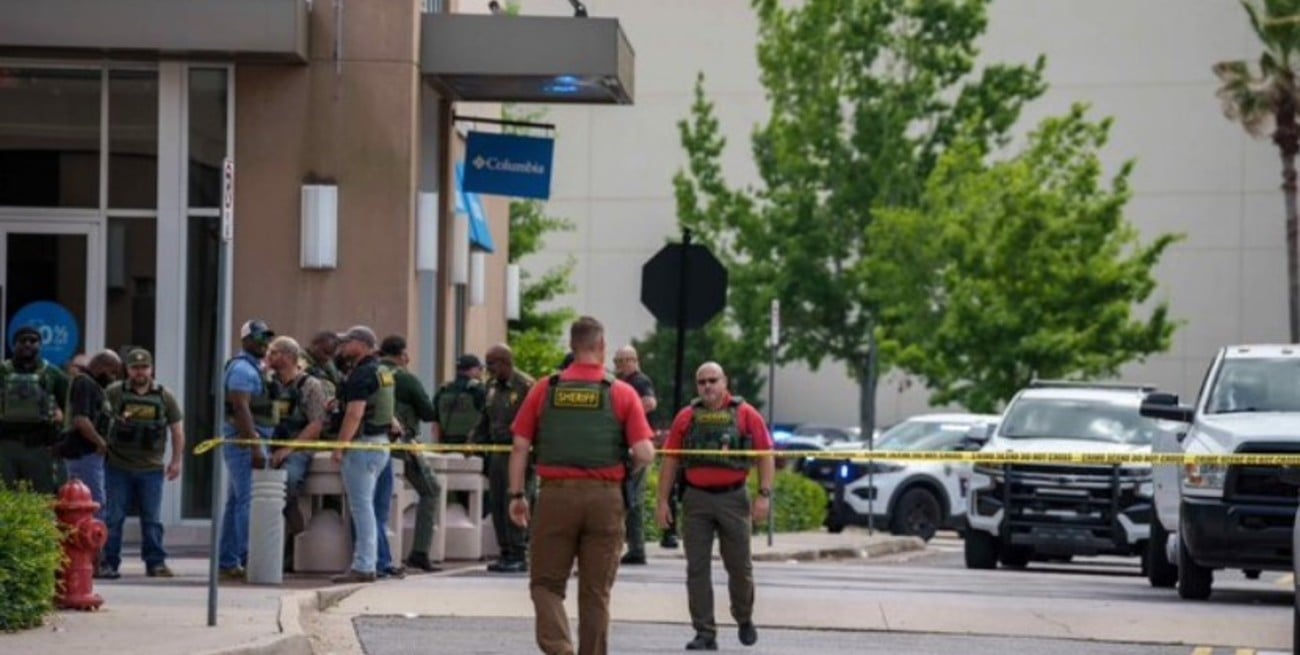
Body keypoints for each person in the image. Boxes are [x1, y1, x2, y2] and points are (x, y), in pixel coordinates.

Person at [509, 316, 656, 655]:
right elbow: (645, 452)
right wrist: (625, 470)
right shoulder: (621, 392)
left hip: (556, 496)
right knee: (595, 593)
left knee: (546, 584)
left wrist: (517, 495)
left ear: (572, 346)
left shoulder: (545, 389)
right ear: (602, 348)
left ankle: (560, 650)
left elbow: (519, 446)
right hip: (605, 499)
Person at [655, 362, 775, 651]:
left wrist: (764, 495)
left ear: (725, 382)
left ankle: (744, 617)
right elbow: (670, 460)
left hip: (734, 498)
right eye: (701, 382)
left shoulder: (746, 414)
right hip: (696, 499)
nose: (707, 386)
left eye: (713, 380)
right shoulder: (687, 417)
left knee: (739, 567)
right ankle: (704, 632)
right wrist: (661, 502)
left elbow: (766, 455)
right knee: (697, 568)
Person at [100, 348, 185, 579]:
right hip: (118, 466)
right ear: (127, 369)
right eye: (135, 367)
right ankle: (109, 562)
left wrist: (176, 461)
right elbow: (99, 420)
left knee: (152, 519)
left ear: (151, 369)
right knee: (114, 518)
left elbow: (177, 431)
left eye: (144, 367)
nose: (140, 372)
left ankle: (155, 563)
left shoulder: (164, 395)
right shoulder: (115, 392)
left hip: (151, 468)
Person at [331, 325, 395, 584]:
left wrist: (340, 445)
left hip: (362, 445)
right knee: (369, 508)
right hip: (381, 444)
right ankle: (371, 562)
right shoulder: (383, 371)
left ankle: (364, 565)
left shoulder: (361, 374)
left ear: (362, 344)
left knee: (361, 508)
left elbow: (355, 413)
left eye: (348, 342)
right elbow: (383, 407)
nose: (343, 347)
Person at [378, 335, 445, 573]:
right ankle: (419, 552)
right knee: (432, 489)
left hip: (371, 443)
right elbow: (428, 412)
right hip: (402, 444)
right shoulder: (405, 378)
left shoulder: (370, 371)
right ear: (402, 354)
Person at [219, 319, 278, 580]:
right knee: (248, 501)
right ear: (245, 340)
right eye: (258, 337)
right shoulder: (243, 369)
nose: (263, 342)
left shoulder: (255, 367)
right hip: (245, 442)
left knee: (235, 502)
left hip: (249, 440)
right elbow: (240, 408)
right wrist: (254, 444)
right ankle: (248, 558)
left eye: (266, 337)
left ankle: (228, 560)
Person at [265, 336, 329, 568]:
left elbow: (316, 424)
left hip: (298, 448)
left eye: (273, 352)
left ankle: (294, 543)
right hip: (270, 446)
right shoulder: (268, 383)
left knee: (287, 483)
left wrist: (289, 449)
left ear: (288, 357)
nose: (268, 356)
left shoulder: (310, 385)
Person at [477, 343, 534, 573]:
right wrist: (474, 441)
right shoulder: (491, 386)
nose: (488, 368)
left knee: (515, 499)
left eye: (492, 363)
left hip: (519, 454)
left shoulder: (525, 386)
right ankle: (506, 552)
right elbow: (485, 418)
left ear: (505, 362)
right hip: (496, 452)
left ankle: (519, 552)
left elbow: (536, 420)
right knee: (498, 503)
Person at [0, 325, 71, 494]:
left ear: (40, 345)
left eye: (33, 341)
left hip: (40, 446)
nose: (27, 344)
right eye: (22, 341)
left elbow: (71, 405)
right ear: (14, 344)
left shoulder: (53, 374)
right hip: (5, 444)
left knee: (43, 498)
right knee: (4, 499)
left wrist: (61, 417)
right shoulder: (2, 372)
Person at [63, 350, 122, 523]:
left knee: (93, 504)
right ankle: (91, 548)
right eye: (112, 372)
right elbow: (81, 420)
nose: (112, 377)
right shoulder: (84, 383)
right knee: (92, 505)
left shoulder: (93, 386)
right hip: (84, 454)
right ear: (102, 367)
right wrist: (101, 443)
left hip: (89, 455)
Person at [613, 345, 656, 565]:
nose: (618, 366)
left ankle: (637, 548)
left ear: (632, 360)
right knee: (628, 498)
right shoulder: (625, 383)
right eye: (616, 362)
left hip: (637, 447)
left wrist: (627, 411)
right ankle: (633, 546)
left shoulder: (640, 381)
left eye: (621, 361)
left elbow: (650, 402)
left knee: (634, 499)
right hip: (631, 445)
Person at [433, 354, 486, 445]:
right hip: (472, 449)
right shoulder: (478, 390)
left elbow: (436, 424)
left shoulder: (443, 391)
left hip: (447, 448)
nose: (481, 373)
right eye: (480, 369)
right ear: (472, 370)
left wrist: (438, 446)